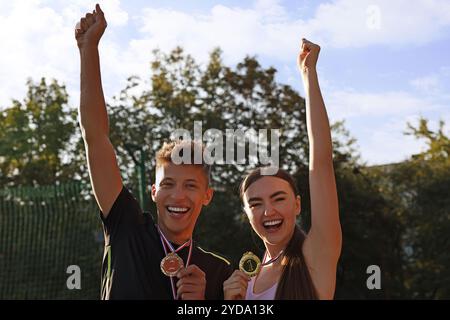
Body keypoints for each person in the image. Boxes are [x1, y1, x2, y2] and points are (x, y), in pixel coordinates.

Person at [75, 4, 232, 300]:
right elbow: (95, 137)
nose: (178, 196)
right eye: (168, 184)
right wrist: (88, 49)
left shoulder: (219, 273)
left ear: (207, 195)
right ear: (154, 191)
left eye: (191, 185)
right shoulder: (126, 227)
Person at [223, 38, 342, 300]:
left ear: (297, 205)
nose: (268, 211)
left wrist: (308, 74)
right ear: (246, 213)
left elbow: (321, 163)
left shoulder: (315, 257)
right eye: (255, 203)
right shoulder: (246, 279)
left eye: (278, 198)